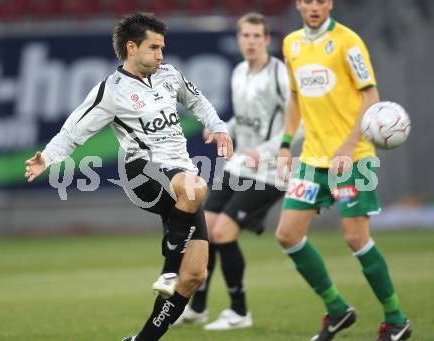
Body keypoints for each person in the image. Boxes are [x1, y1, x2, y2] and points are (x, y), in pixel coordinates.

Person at [24, 12, 233, 341]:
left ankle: (143, 338)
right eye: (154, 48)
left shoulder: (169, 76)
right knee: (195, 189)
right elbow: (75, 129)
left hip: (180, 173)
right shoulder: (112, 90)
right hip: (142, 172)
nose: (161, 55)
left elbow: (197, 101)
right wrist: (47, 158)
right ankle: (168, 266)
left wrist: (218, 126)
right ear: (132, 47)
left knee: (194, 276)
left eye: (163, 48)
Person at [275, 1, 411, 341]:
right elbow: (295, 98)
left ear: (330, 3)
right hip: (313, 159)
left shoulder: (349, 42)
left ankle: (396, 319)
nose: (314, 6)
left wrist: (350, 146)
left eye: (321, 0)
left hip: (353, 158)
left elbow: (371, 96)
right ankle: (337, 310)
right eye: (308, 0)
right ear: (299, 4)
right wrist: (284, 144)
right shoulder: (291, 43)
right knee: (288, 235)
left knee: (355, 237)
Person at [174, 12, 301, 330]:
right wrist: (224, 129)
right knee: (205, 232)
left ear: (267, 40)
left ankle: (240, 312)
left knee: (222, 233)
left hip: (270, 170)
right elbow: (244, 119)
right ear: (239, 38)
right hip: (238, 165)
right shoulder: (239, 72)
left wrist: (268, 150)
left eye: (257, 36)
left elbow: (300, 124)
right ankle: (198, 308)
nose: (251, 41)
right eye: (246, 35)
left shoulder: (281, 76)